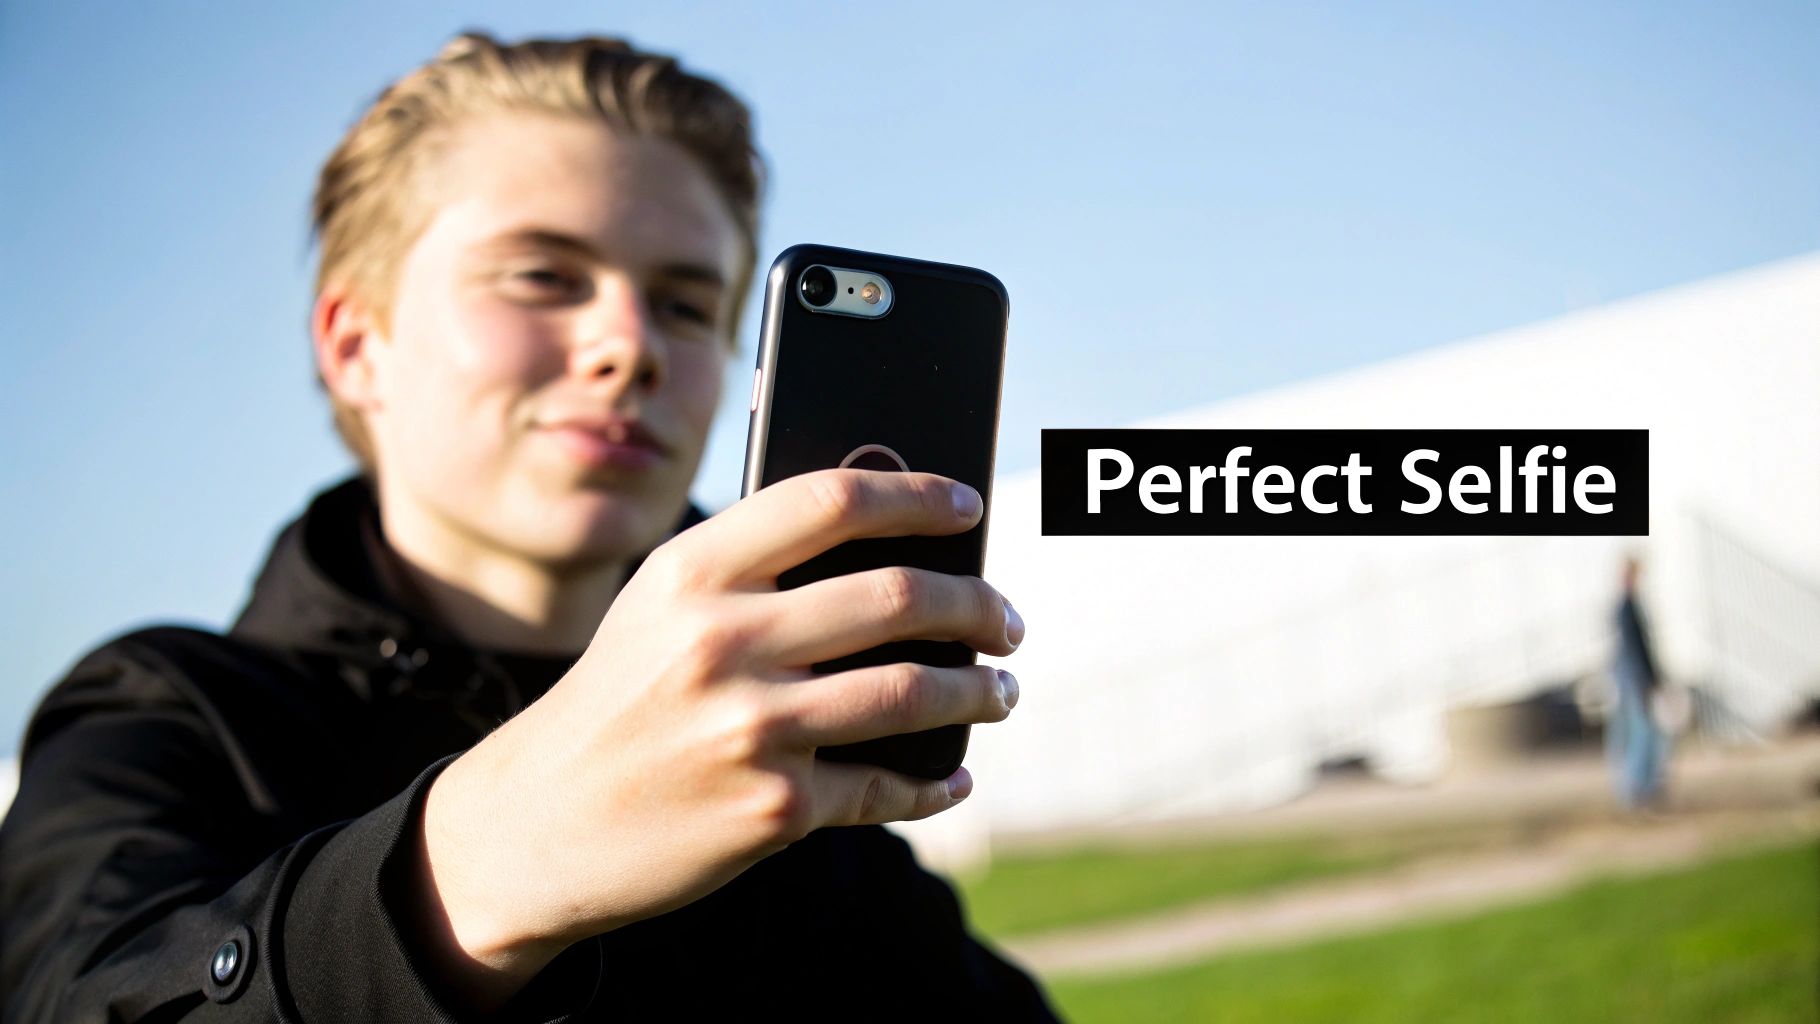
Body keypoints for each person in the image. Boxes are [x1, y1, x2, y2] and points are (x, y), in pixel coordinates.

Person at [0, 32, 1056, 1020]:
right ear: (356, 345)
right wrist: (482, 865)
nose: (630, 346)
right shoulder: (167, 716)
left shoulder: (785, 766)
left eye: (687, 306)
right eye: (543, 276)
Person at [1608, 554, 1667, 811]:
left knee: (1634, 733)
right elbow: (1635, 649)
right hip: (1635, 680)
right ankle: (1637, 789)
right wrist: (1647, 679)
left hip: (1631, 679)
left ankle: (1636, 788)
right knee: (1640, 733)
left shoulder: (1628, 606)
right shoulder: (1627, 609)